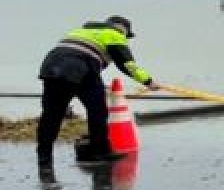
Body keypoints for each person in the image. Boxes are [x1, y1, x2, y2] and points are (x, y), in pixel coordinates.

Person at [37, 15, 159, 167]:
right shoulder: (115, 35)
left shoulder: (80, 31)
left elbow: (73, 51)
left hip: (51, 67)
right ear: (123, 30)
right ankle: (99, 151)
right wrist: (148, 81)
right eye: (127, 35)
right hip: (81, 68)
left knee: (51, 115)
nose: (126, 38)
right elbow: (127, 65)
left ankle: (44, 157)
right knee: (98, 110)